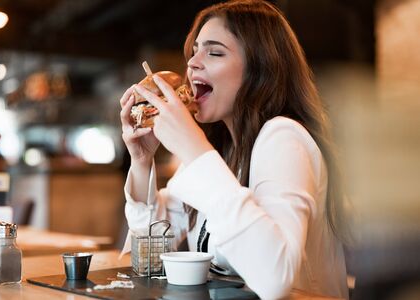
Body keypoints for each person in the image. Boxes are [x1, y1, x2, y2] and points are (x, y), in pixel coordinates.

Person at [119, 0, 349, 299]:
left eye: (214, 52)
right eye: (194, 51)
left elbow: (275, 279)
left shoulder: (283, 137)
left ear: (261, 68)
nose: (192, 63)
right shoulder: (222, 151)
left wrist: (194, 149)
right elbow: (150, 252)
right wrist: (141, 160)